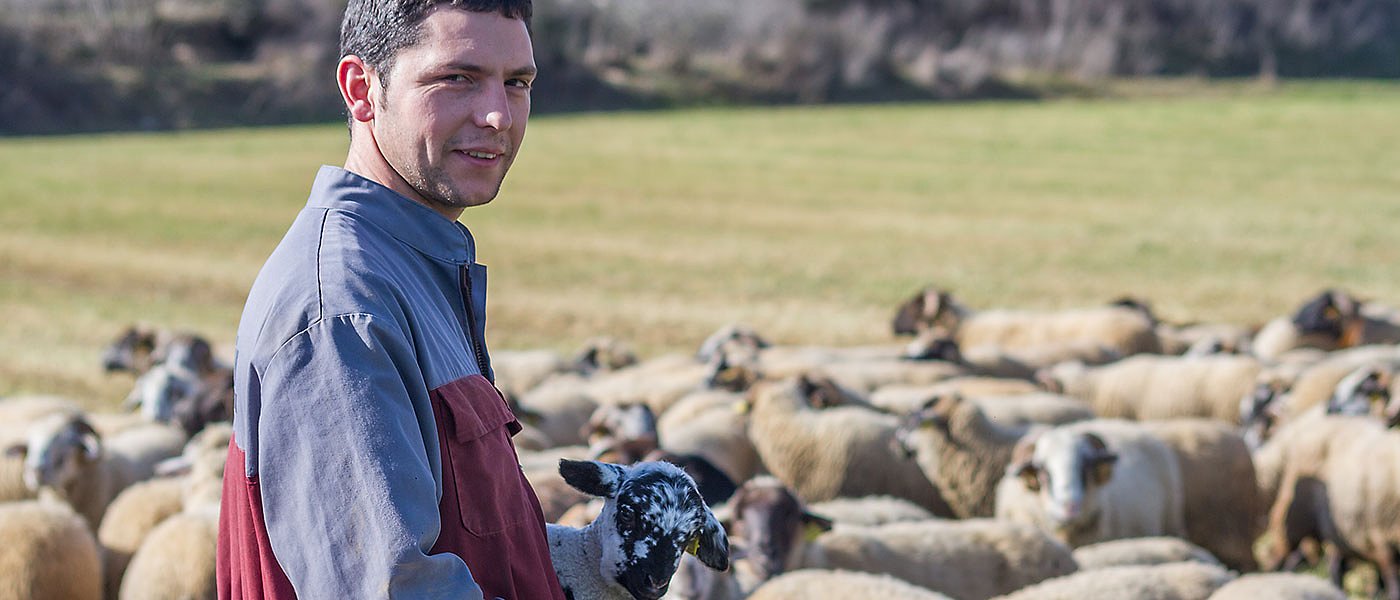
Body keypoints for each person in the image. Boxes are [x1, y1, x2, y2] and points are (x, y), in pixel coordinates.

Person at [216, 1, 566, 598]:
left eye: (518, 83)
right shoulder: (343, 313)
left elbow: (467, 542)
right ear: (362, 88)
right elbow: (394, 589)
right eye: (457, 78)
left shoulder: (409, 266)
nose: (497, 115)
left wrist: (592, 561)